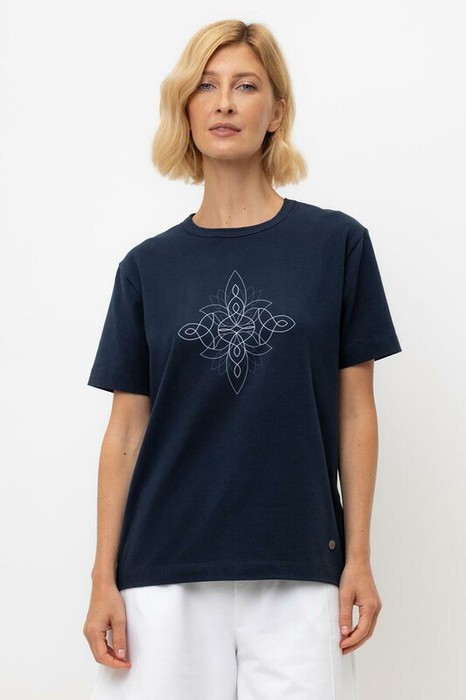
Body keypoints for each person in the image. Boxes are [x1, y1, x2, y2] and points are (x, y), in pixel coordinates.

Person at [83, 18, 402, 700]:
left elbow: (356, 412)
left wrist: (360, 558)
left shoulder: (337, 246)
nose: (224, 102)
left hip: (301, 566)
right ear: (185, 109)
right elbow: (126, 432)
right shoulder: (146, 268)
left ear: (276, 112)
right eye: (206, 86)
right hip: (163, 570)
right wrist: (101, 578)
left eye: (246, 86)